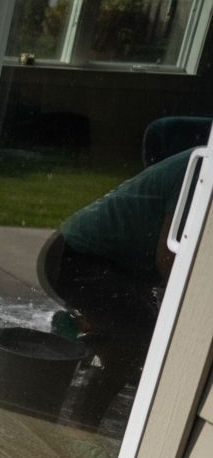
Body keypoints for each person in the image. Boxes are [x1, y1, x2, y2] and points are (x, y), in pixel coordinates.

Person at [39, 146, 194, 425]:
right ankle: (82, 424)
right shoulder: (199, 170)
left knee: (138, 327)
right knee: (139, 333)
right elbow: (167, 256)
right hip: (75, 259)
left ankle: (79, 332)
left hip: (106, 264)